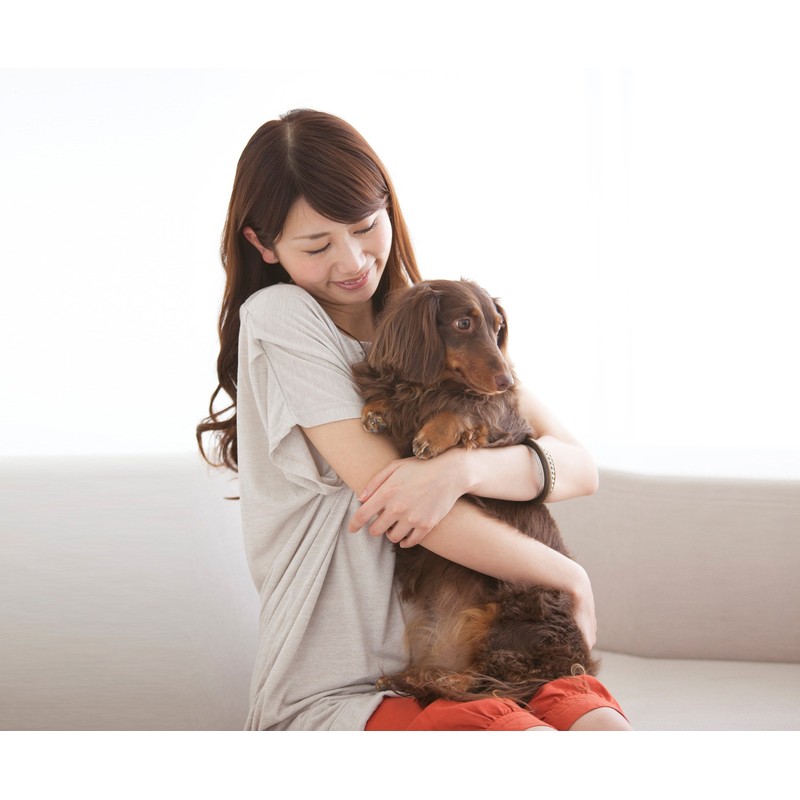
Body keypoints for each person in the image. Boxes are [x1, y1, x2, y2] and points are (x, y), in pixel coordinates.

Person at [197, 108, 631, 731]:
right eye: (317, 245)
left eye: (365, 227)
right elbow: (400, 501)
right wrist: (568, 574)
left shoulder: (430, 321)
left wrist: (461, 470)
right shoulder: (281, 317)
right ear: (263, 245)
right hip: (347, 688)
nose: (352, 261)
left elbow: (580, 467)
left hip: (493, 650)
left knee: (606, 734)